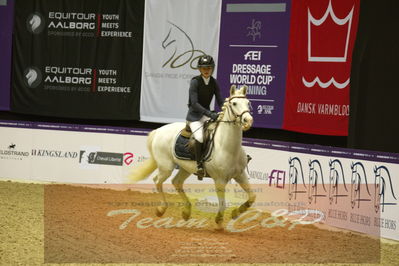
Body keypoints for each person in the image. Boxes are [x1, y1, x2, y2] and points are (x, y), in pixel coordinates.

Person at [186, 55, 224, 179]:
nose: (206, 70)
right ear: (199, 69)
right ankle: (200, 165)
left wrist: (225, 110)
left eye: (208, 67)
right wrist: (210, 114)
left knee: (218, 133)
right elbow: (194, 103)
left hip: (207, 115)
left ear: (212, 68)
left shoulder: (214, 82)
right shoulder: (195, 82)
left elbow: (220, 100)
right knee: (200, 137)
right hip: (195, 117)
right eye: (203, 68)